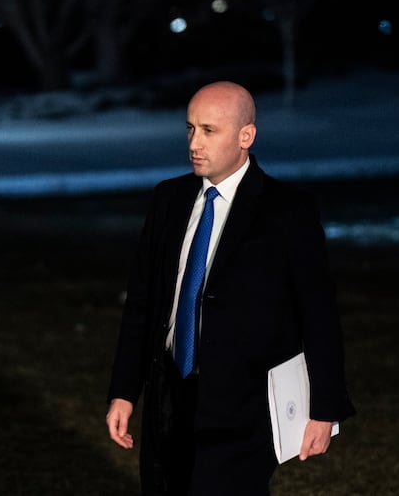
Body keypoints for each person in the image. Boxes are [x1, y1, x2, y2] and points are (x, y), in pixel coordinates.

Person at [106, 80, 354, 495]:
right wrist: (124, 392)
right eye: (190, 129)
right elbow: (144, 303)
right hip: (169, 394)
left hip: (244, 404)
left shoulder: (287, 210)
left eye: (209, 130)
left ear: (246, 136)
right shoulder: (169, 199)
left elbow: (319, 313)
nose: (194, 143)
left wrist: (325, 408)